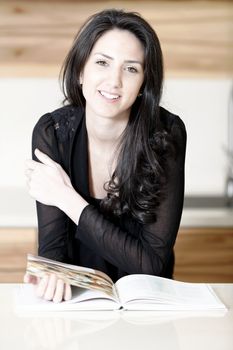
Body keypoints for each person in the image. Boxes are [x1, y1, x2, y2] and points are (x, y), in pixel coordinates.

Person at [24, 9, 186, 303]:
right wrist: (51, 274)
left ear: (143, 85)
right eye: (102, 63)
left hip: (146, 308)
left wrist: (66, 197)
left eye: (131, 69)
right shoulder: (52, 132)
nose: (114, 81)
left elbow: (151, 264)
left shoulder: (166, 134)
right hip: (78, 301)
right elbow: (53, 249)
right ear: (80, 71)